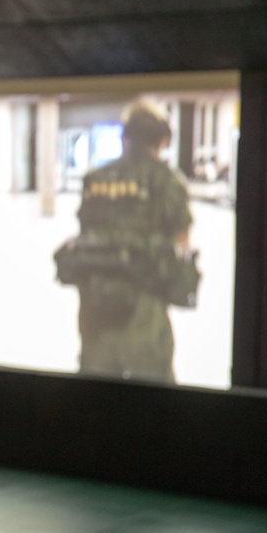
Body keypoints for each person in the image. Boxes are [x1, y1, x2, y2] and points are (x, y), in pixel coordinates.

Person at [67, 102, 195, 383]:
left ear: (125, 138)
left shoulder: (94, 179)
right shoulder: (168, 182)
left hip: (96, 308)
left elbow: (86, 232)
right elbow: (182, 240)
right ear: (162, 141)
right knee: (153, 398)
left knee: (93, 398)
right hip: (144, 310)